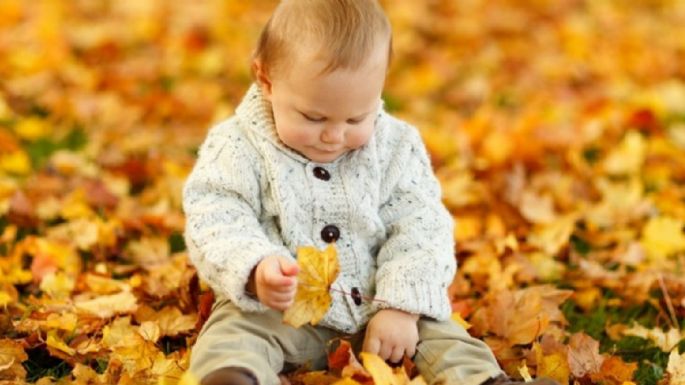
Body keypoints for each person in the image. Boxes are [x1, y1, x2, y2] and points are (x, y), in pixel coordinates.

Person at [183, 1, 559, 384]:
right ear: (266, 80)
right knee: (235, 332)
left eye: (355, 118)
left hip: (378, 308)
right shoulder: (237, 146)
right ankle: (233, 377)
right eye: (313, 117)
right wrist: (255, 268)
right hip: (280, 311)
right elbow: (215, 215)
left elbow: (421, 226)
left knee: (444, 335)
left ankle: (484, 381)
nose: (333, 135)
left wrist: (401, 306)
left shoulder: (395, 146)